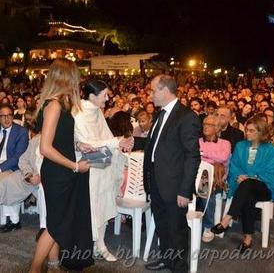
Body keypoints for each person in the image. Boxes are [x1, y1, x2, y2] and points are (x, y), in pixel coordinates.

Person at [30, 59, 92, 273]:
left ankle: (53, 265)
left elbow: (57, 139)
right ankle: (35, 269)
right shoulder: (54, 105)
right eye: (76, 77)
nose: (78, 81)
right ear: (67, 78)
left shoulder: (58, 104)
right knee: (57, 224)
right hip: (58, 172)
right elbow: (45, 148)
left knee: (57, 220)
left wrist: (77, 144)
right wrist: (75, 166)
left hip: (60, 170)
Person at [141, 75, 201, 272]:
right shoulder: (161, 114)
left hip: (175, 185)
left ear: (165, 90)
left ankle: (178, 267)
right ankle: (166, 259)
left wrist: (185, 190)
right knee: (162, 225)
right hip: (156, 181)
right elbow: (158, 146)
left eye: (153, 90)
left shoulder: (187, 116)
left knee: (176, 230)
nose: (150, 95)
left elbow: (192, 156)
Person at [74, 79, 131, 262]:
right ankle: (92, 245)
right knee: (93, 208)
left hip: (103, 165)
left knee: (104, 204)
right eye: (104, 95)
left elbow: (105, 137)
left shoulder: (96, 111)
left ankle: (100, 244)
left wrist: (120, 143)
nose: (107, 98)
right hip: (88, 168)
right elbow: (88, 144)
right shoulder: (79, 114)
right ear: (91, 96)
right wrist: (116, 142)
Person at [211, 116, 274, 253]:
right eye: (247, 130)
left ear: (260, 132)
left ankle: (226, 219)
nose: (246, 133)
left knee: (249, 183)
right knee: (248, 196)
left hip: (263, 186)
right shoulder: (240, 146)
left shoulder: (270, 149)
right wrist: (238, 176)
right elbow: (234, 166)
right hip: (243, 185)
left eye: (251, 131)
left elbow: (271, 171)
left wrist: (251, 176)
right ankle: (247, 239)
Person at [198, 114, 231, 242]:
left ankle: (208, 225)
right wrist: (211, 158)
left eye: (210, 125)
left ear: (217, 128)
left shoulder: (225, 143)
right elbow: (193, 156)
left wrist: (202, 153)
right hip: (197, 176)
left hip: (217, 180)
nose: (206, 127)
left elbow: (223, 157)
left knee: (206, 188)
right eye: (205, 124)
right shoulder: (198, 141)